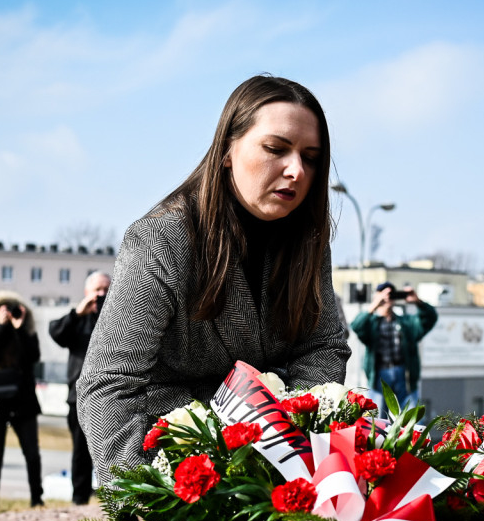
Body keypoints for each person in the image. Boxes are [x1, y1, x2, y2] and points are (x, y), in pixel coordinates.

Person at [78, 75, 350, 482]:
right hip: (175, 466)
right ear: (226, 150)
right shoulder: (161, 240)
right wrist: (148, 496)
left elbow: (324, 347)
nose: (296, 170)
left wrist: (289, 434)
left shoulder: (309, 242)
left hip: (277, 463)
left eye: (310, 157)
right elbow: (108, 383)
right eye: (276, 148)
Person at [49, 271, 111, 505]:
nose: (102, 294)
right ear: (87, 293)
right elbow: (57, 333)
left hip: (111, 394)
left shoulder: (118, 317)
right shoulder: (77, 319)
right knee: (80, 449)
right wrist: (77, 313)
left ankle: (114, 500)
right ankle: (80, 499)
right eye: (98, 290)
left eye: (106, 289)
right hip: (80, 396)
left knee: (111, 449)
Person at [0, 291, 43, 510]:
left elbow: (32, 357)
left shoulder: (25, 333)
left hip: (23, 400)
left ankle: (36, 498)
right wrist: (2, 326)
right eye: (3, 309)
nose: (8, 313)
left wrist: (18, 328)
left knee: (32, 453)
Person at [351, 283, 438, 416]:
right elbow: (356, 326)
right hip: (379, 375)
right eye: (382, 293)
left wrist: (417, 302)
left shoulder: (406, 323)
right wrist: (374, 305)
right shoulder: (371, 323)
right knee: (377, 419)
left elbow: (431, 318)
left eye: (391, 294)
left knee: (411, 420)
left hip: (405, 374)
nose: (387, 297)